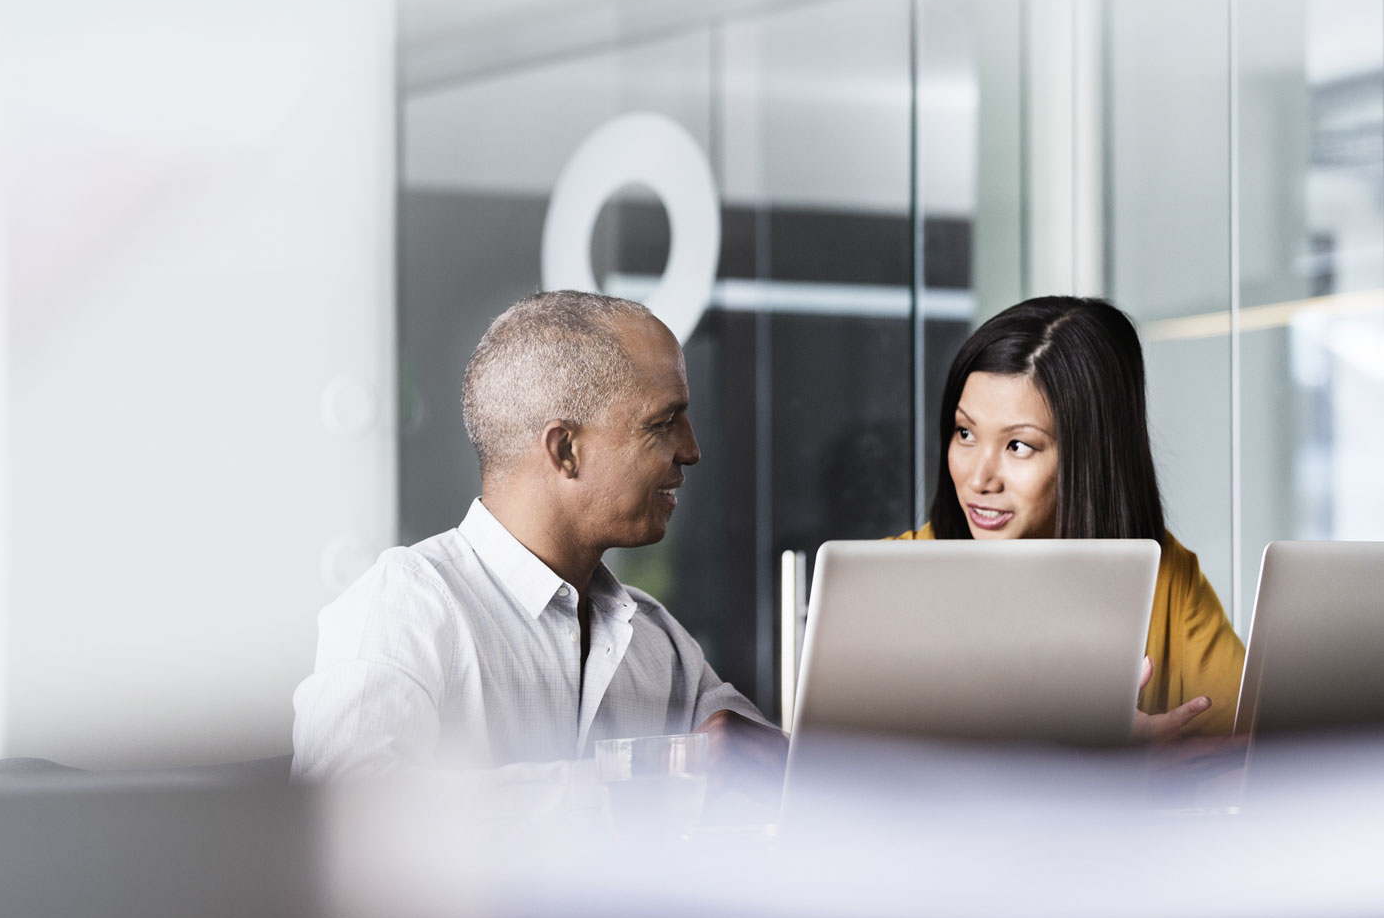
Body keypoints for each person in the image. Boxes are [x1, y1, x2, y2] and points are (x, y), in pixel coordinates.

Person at [291, 290, 781, 797]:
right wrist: (623, 787)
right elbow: (344, 814)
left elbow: (780, 776)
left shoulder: (660, 641)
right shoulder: (405, 606)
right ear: (565, 449)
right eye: (662, 423)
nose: (692, 450)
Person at [895, 295, 1244, 740]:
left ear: (1090, 458)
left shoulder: (1167, 579)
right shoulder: (895, 576)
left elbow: (1255, 760)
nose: (979, 478)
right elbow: (843, 779)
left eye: (1018, 445)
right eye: (965, 433)